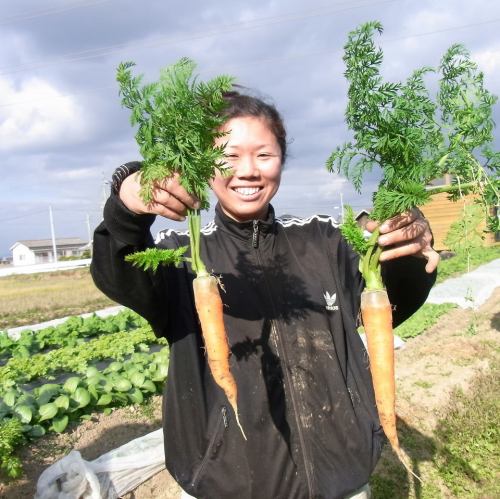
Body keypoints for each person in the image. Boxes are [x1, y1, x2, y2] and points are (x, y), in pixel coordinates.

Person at [90, 90, 438, 499]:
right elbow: (116, 271)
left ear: (281, 163)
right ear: (203, 165)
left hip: (339, 476)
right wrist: (127, 203)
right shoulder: (176, 255)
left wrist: (408, 247)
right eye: (230, 156)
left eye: (264, 155)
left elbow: (394, 299)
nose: (249, 171)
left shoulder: (325, 239)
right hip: (229, 482)